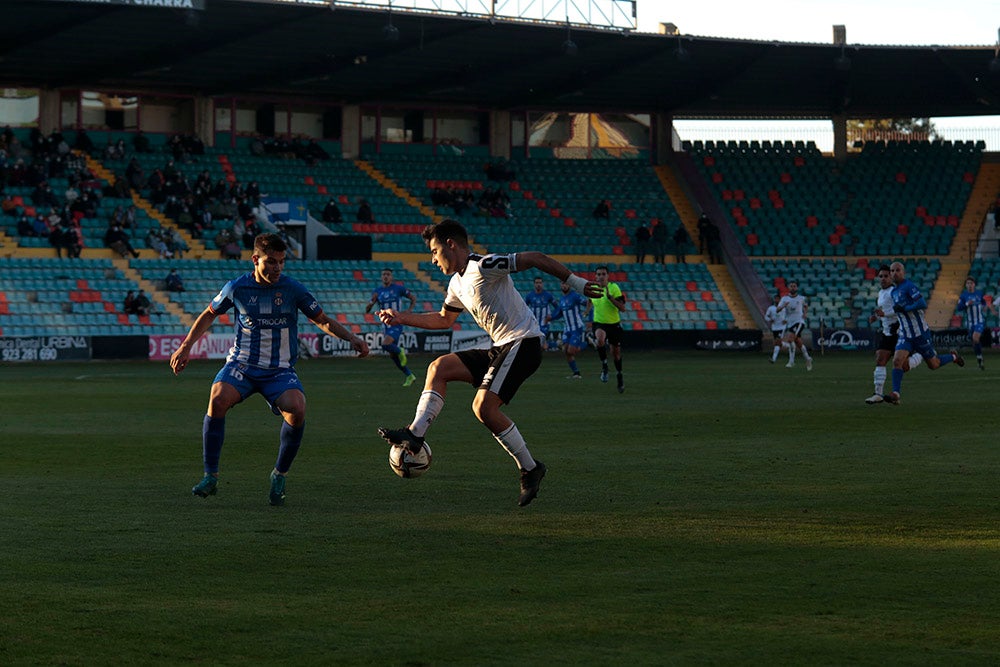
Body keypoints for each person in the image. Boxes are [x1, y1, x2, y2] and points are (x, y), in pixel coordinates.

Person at [376, 219, 601, 507]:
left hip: (524, 342)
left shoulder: (482, 266)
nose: (432, 259)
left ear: (451, 245)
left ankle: (531, 468)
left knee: (483, 407)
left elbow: (534, 258)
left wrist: (577, 283)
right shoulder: (456, 283)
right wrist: (401, 317)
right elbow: (445, 319)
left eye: (434, 251)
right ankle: (415, 435)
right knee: (438, 368)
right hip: (502, 346)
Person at [170, 233, 370, 505]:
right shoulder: (237, 287)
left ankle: (279, 474)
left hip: (278, 371)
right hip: (242, 365)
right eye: (271, 262)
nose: (277, 268)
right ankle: (211, 476)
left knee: (297, 408)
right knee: (217, 398)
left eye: (281, 262)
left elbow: (321, 320)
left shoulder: (293, 289)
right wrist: (186, 346)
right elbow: (209, 314)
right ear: (255, 260)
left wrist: (352, 338)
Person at [883, 261, 964, 405]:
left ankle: (953, 356)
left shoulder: (909, 286)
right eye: (892, 271)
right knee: (897, 362)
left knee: (934, 364)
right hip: (905, 335)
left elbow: (922, 304)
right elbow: (899, 311)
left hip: (920, 334)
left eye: (898, 270)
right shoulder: (894, 292)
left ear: (903, 272)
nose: (894, 273)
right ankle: (896, 394)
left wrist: (906, 308)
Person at [865, 264, 924, 404]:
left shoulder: (895, 292)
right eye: (881, 276)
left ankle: (919, 356)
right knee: (880, 358)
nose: (883, 279)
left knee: (902, 366)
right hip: (887, 332)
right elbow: (885, 309)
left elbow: (901, 309)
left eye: (886, 276)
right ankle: (878, 394)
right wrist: (877, 317)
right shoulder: (880, 293)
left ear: (891, 277)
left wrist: (885, 314)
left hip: (899, 331)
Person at [365, 267, 417, 387]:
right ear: (381, 277)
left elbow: (413, 298)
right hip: (385, 325)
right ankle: (409, 375)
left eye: (388, 274)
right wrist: (371, 303)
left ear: (391, 277)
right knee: (393, 356)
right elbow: (367, 310)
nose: (386, 276)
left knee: (386, 344)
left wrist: (409, 311)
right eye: (384, 274)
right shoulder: (377, 291)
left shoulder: (398, 289)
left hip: (396, 322)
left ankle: (401, 351)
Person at [591, 265, 627, 393]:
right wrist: (586, 311)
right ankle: (605, 366)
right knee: (600, 340)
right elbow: (590, 300)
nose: (601, 276)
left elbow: (622, 308)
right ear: (595, 276)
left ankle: (619, 375)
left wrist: (610, 297)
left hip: (613, 324)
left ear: (608, 276)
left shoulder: (614, 288)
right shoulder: (593, 288)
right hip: (599, 323)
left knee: (616, 354)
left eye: (603, 274)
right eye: (599, 274)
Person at [548, 278, 592, 379]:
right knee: (565, 351)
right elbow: (560, 313)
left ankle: (587, 343)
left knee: (571, 351)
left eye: (566, 284)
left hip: (576, 327)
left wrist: (589, 317)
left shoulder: (575, 296)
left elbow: (589, 303)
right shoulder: (562, 299)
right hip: (567, 329)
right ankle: (576, 373)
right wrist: (551, 318)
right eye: (562, 283)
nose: (564, 285)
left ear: (570, 285)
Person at [956, 276, 996, 370]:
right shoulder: (963, 296)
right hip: (970, 323)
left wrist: (986, 307)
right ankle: (980, 359)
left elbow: (984, 302)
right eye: (968, 283)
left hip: (979, 321)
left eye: (971, 283)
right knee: (974, 341)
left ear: (974, 284)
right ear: (966, 285)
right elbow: (959, 308)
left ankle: (979, 357)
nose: (969, 285)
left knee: (975, 337)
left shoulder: (979, 293)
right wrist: (966, 304)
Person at [777, 281, 813, 370]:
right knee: (798, 342)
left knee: (790, 339)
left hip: (799, 322)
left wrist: (805, 314)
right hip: (790, 323)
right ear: (788, 288)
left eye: (794, 286)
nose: (793, 287)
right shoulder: (784, 299)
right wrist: (783, 306)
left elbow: (805, 306)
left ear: (797, 288)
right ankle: (808, 359)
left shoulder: (801, 298)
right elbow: (777, 310)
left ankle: (791, 361)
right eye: (791, 286)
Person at [523, 276, 560, 351]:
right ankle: (556, 344)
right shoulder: (530, 296)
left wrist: (551, 316)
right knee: (539, 345)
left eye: (540, 283)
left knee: (539, 344)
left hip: (544, 324)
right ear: (534, 284)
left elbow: (557, 308)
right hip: (533, 324)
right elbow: (524, 308)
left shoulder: (548, 295)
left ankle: (553, 344)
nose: (538, 284)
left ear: (542, 284)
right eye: (537, 283)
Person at [764, 293, 788, 363]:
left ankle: (773, 359)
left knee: (777, 342)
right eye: (776, 299)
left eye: (778, 299)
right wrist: (770, 320)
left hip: (782, 327)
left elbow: (789, 315)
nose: (777, 300)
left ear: (780, 300)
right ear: (774, 300)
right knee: (776, 343)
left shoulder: (784, 308)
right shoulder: (771, 308)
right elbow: (766, 316)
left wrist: (786, 320)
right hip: (774, 327)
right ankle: (789, 346)